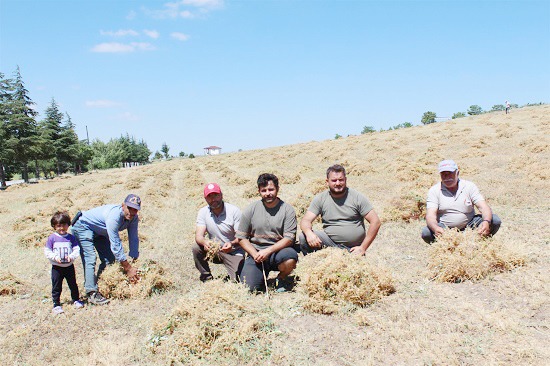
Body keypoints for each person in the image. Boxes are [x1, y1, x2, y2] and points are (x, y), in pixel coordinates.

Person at [71, 194, 141, 305]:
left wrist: (134, 260)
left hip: (100, 231)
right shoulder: (114, 217)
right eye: (129, 208)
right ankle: (91, 292)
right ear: (123, 205)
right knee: (90, 258)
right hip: (83, 226)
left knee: (109, 260)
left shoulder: (133, 218)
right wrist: (128, 268)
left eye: (135, 210)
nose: (131, 212)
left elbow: (133, 238)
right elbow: (116, 244)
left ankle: (101, 284)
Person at [299, 164, 381, 256]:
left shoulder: (357, 197)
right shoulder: (320, 199)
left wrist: (363, 248)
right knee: (303, 236)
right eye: (334, 180)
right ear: (327, 182)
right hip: (330, 244)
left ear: (345, 180)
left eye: (341, 180)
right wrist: (309, 233)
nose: (337, 183)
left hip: (353, 248)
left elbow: (375, 222)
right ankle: (313, 264)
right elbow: (305, 220)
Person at [237, 173, 298, 292]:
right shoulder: (251, 209)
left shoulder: (287, 210)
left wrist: (268, 251)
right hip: (256, 255)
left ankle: (281, 278)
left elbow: (289, 239)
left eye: (271, 189)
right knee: (249, 288)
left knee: (290, 258)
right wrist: (254, 254)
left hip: (278, 252)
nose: (268, 193)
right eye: (263, 190)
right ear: (258, 191)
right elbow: (241, 238)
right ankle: (258, 274)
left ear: (277, 189)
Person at [421, 159, 501, 243]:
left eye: (450, 174)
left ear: (457, 173)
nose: (447, 177)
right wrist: (436, 228)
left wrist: (486, 222)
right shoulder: (434, 190)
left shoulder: (469, 186)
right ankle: (444, 248)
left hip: (470, 225)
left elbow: (484, 207)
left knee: (494, 220)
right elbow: (430, 215)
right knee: (426, 233)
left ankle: (481, 243)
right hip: (446, 229)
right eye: (443, 174)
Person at [193, 183, 244, 282]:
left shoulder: (234, 211)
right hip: (215, 250)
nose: (213, 199)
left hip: (233, 251)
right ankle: (206, 276)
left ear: (221, 195)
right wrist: (204, 242)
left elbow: (241, 237)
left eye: (216, 195)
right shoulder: (203, 212)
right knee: (196, 248)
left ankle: (233, 274)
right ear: (205, 199)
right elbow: (198, 236)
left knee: (238, 280)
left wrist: (231, 243)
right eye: (209, 197)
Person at [44, 211, 84, 314]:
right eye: (58, 226)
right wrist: (55, 257)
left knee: (73, 284)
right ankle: (56, 304)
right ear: (54, 226)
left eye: (64, 225)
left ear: (68, 225)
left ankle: (76, 299)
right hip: (57, 267)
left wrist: (71, 257)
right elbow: (47, 251)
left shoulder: (71, 238)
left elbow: (76, 249)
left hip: (69, 266)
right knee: (57, 285)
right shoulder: (52, 238)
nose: (62, 228)